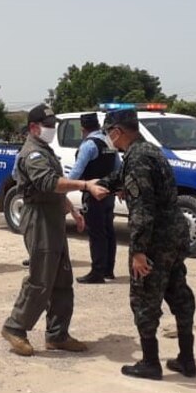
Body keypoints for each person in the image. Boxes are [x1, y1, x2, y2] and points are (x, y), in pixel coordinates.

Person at [1, 104, 110, 357]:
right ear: (33, 128)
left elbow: (54, 189)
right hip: (39, 218)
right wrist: (85, 185)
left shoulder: (44, 150)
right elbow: (49, 183)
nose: (52, 129)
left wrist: (72, 211)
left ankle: (57, 334)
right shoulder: (32, 154)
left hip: (52, 215)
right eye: (48, 126)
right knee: (41, 278)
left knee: (62, 278)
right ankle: (15, 327)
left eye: (53, 125)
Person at [98, 109, 196, 379]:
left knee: (144, 298)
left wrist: (139, 251)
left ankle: (150, 362)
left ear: (117, 131)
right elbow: (122, 180)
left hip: (156, 239)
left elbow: (142, 207)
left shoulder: (137, 157)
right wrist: (97, 186)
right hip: (175, 235)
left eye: (109, 133)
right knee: (179, 293)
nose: (109, 139)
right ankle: (187, 359)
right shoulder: (149, 150)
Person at [68, 112, 121, 283]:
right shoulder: (109, 142)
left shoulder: (88, 145)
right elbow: (118, 167)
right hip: (108, 193)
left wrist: (63, 186)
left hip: (93, 193)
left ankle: (97, 272)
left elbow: (77, 171)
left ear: (83, 129)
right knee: (108, 231)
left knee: (96, 233)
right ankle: (108, 270)